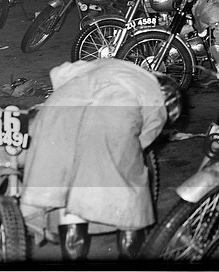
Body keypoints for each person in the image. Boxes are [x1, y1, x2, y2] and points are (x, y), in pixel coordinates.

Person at [20, 59, 182, 260]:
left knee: (69, 193)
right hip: (110, 120)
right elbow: (143, 141)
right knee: (133, 195)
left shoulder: (113, 65)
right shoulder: (156, 96)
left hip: (56, 116)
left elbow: (60, 73)